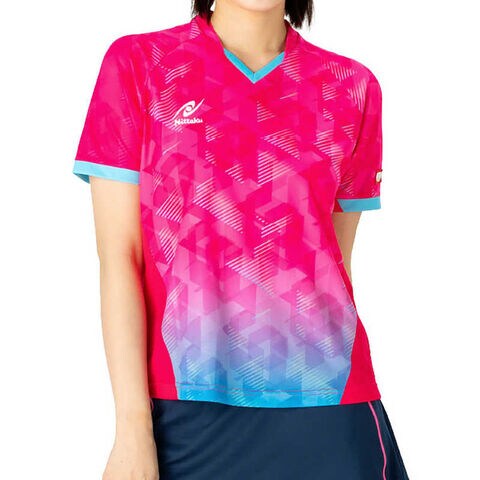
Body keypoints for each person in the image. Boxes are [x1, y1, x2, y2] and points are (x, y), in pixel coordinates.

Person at [72, 1, 410, 479]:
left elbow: (334, 263)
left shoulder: (351, 85)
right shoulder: (140, 64)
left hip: (329, 407)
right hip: (184, 408)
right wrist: (132, 428)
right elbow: (120, 259)